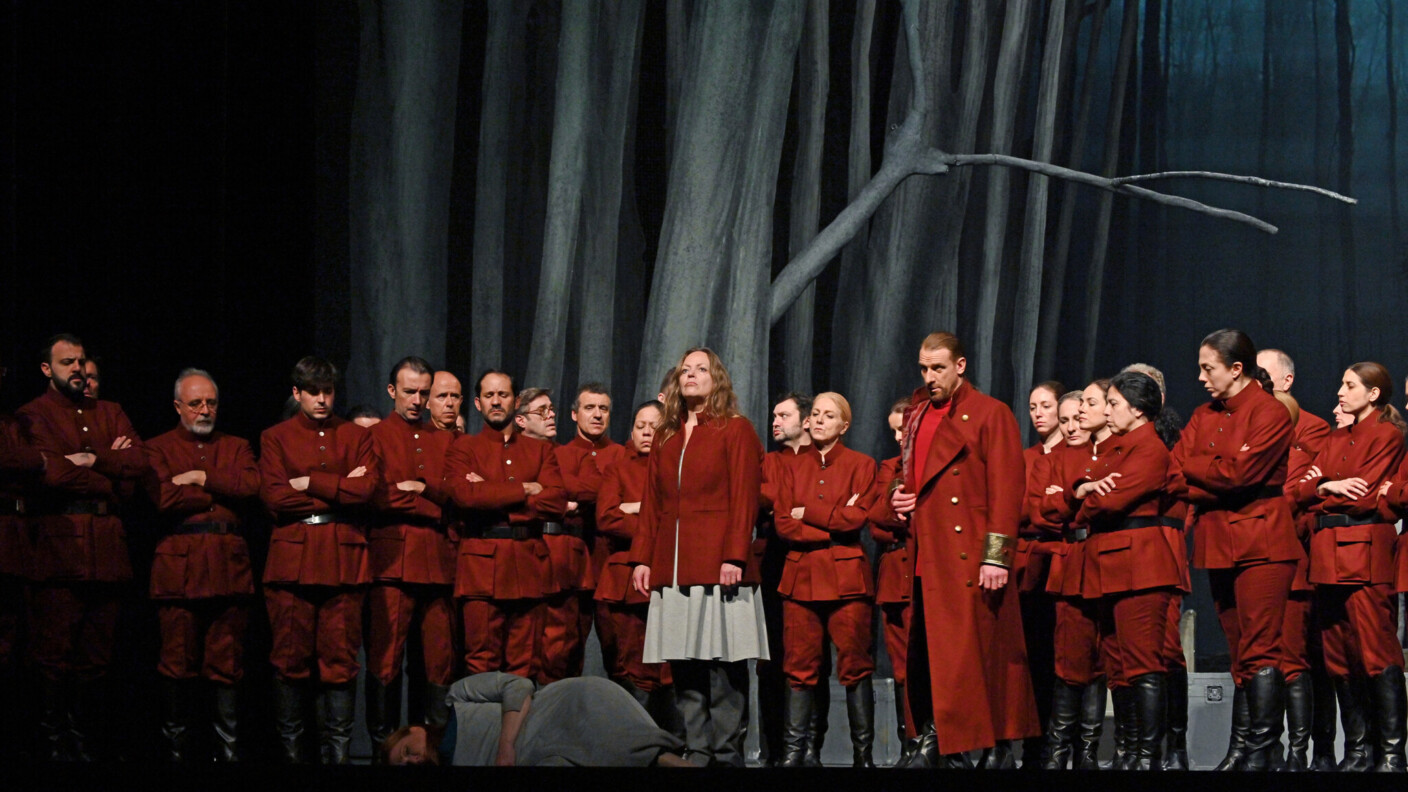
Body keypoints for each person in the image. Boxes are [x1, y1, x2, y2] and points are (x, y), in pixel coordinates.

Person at [878, 331, 1039, 768]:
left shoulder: (990, 414)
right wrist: (899, 495)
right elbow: (909, 478)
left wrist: (995, 555)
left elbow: (1007, 490)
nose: (929, 377)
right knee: (929, 651)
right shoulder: (915, 417)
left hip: (968, 551)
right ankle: (935, 735)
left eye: (938, 368)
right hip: (925, 551)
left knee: (976, 652)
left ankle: (981, 743)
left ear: (960, 366)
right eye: (924, 369)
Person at [629, 348, 768, 767]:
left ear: (717, 379)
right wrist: (642, 559)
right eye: (685, 370)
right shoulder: (667, 434)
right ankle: (699, 750)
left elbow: (745, 497)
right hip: (673, 567)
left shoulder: (735, 429)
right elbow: (652, 503)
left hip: (719, 565)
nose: (691, 375)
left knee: (724, 665)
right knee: (684, 662)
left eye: (701, 369)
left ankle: (727, 755)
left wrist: (735, 557)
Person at [1169, 328, 1300, 772]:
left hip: (1262, 541)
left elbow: (1240, 475)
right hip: (1218, 541)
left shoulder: (1270, 412)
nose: (1202, 377)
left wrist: (1206, 471)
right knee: (1239, 651)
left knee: (1261, 649)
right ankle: (1241, 748)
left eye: (1209, 368)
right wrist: (1216, 473)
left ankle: (1261, 751)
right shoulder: (1203, 414)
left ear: (1236, 368)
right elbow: (1177, 469)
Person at [19, 334, 146, 762]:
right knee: (54, 652)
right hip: (59, 548)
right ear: (46, 369)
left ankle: (86, 740)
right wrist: (107, 463)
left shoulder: (109, 411)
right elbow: (50, 476)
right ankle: (54, 744)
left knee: (98, 654)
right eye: (67, 361)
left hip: (108, 546)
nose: (76, 368)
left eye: (81, 361)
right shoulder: (32, 415)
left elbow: (139, 465)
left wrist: (90, 460)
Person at [258, 356, 381, 764]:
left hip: (343, 559)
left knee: (341, 662)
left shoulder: (355, 435)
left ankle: (339, 758)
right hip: (292, 563)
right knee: (290, 661)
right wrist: (341, 488)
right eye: (314, 392)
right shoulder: (276, 437)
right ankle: (295, 757)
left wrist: (311, 481)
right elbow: (275, 497)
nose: (323, 399)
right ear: (297, 393)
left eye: (328, 391)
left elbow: (367, 492)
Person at [1065, 371, 1188, 770]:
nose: (1108, 410)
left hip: (1140, 566)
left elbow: (1109, 503)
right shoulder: (1117, 448)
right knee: (1118, 665)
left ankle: (1149, 756)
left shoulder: (1149, 448)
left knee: (1143, 664)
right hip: (1111, 564)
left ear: (1137, 409)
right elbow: (1088, 494)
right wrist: (1087, 491)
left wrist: (1090, 496)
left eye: (1114, 403)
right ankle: (1131, 751)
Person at [143, 369, 259, 762]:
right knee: (177, 664)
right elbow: (163, 499)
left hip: (229, 567)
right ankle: (177, 753)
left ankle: (226, 754)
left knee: (227, 664)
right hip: (179, 569)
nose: (205, 410)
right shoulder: (157, 447)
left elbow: (249, 488)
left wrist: (199, 477)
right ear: (178, 406)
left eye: (210, 402)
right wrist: (216, 491)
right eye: (196, 403)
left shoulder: (238, 445)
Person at [1296, 362, 1408, 772]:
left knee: (1376, 652)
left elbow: (1363, 498)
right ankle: (1358, 750)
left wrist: (1323, 488)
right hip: (1327, 552)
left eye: (1349, 385)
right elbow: (1299, 492)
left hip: (1364, 549)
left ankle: (1392, 753)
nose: (1340, 392)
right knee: (1339, 656)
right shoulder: (1335, 436)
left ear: (1373, 393)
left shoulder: (1386, 435)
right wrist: (1326, 486)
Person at [773, 392, 879, 768]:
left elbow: (857, 519)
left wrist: (811, 512)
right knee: (799, 668)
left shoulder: (862, 465)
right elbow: (784, 523)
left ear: (844, 425)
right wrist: (831, 526)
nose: (817, 420)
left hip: (847, 580)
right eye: (815, 414)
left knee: (855, 667)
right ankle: (795, 754)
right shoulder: (790, 466)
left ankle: (862, 757)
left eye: (827, 415)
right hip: (801, 578)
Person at [444, 371, 564, 682]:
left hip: (529, 565)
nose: (496, 401)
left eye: (503, 395)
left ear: (516, 401)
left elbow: (556, 501)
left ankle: (518, 733)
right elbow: (464, 496)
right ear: (478, 403)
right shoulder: (464, 448)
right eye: (489, 395)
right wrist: (525, 489)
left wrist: (491, 491)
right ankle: (483, 733)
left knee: (525, 666)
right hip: (481, 568)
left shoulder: (540, 450)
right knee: (481, 663)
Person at [364, 357, 459, 745]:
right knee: (385, 661)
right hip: (393, 560)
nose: (418, 400)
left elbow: (456, 497)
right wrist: (428, 498)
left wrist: (420, 490)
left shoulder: (445, 438)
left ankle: (432, 748)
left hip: (438, 560)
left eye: (424, 392)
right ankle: (382, 748)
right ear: (392, 391)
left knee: (440, 660)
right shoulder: (373, 436)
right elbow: (378, 496)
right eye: (410, 392)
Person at [1258, 349, 1337, 771]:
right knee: (1263, 659)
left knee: (1306, 658)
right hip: (1259, 554)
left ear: (1286, 381)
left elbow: (1306, 492)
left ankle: (1310, 752)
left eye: (1265, 376)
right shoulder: (1249, 426)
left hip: (1298, 557)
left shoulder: (1313, 428)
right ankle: (1268, 749)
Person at [380, 672, 687, 766]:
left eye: (406, 751)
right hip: (546, 754)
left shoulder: (457, 697)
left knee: (621, 746)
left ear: (415, 730)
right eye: (405, 767)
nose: (411, 761)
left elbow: (518, 685)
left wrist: (506, 746)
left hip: (561, 709)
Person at [1032, 391, 1105, 769]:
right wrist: (1072, 500)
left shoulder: (1106, 453)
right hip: (1070, 563)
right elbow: (1039, 512)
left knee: (1101, 661)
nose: (1072, 426)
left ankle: (1088, 753)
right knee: (1069, 659)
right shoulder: (1052, 459)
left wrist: (1063, 500)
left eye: (1078, 418)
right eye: (1065, 421)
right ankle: (1057, 754)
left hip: (1106, 561)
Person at [596, 401, 678, 727]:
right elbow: (606, 516)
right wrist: (651, 520)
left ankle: (670, 740)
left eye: (653, 426)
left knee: (668, 664)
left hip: (668, 576)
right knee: (630, 661)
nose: (646, 432)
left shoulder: (676, 468)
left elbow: (681, 518)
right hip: (625, 578)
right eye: (640, 425)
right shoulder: (617, 467)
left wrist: (634, 508)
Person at [758, 391, 818, 765]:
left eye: (783, 415)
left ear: (806, 421)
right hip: (772, 563)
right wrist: (793, 508)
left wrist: (801, 509)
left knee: (811, 658)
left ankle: (809, 749)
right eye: (774, 415)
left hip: (813, 563)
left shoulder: (821, 460)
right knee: (772, 657)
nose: (775, 422)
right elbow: (756, 497)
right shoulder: (766, 461)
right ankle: (773, 749)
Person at [554, 384, 628, 682]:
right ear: (574, 414)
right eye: (589, 408)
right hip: (574, 565)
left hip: (612, 562)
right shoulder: (559, 455)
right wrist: (618, 501)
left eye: (604, 409)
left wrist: (578, 499)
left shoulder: (622, 455)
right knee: (567, 649)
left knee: (620, 650)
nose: (597, 415)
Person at [1016, 380, 1065, 767]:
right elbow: (1013, 511)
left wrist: (1041, 508)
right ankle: (1027, 745)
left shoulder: (1073, 453)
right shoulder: (1024, 457)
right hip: (1024, 566)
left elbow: (1062, 511)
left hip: (1059, 562)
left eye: (1045, 406)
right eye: (1032, 407)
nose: (1038, 414)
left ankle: (1056, 745)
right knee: (1028, 657)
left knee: (1056, 657)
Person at [866, 397, 916, 765]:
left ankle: (940, 744)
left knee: (930, 665)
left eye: (905, 428)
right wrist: (900, 512)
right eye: (894, 430)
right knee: (901, 667)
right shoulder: (889, 467)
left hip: (927, 572)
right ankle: (909, 746)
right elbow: (876, 517)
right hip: (895, 573)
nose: (899, 436)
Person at [0, 358, 45, 757]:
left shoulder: (14, 422)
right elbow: (29, 460)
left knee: (17, 639)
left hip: (16, 540)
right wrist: (37, 460)